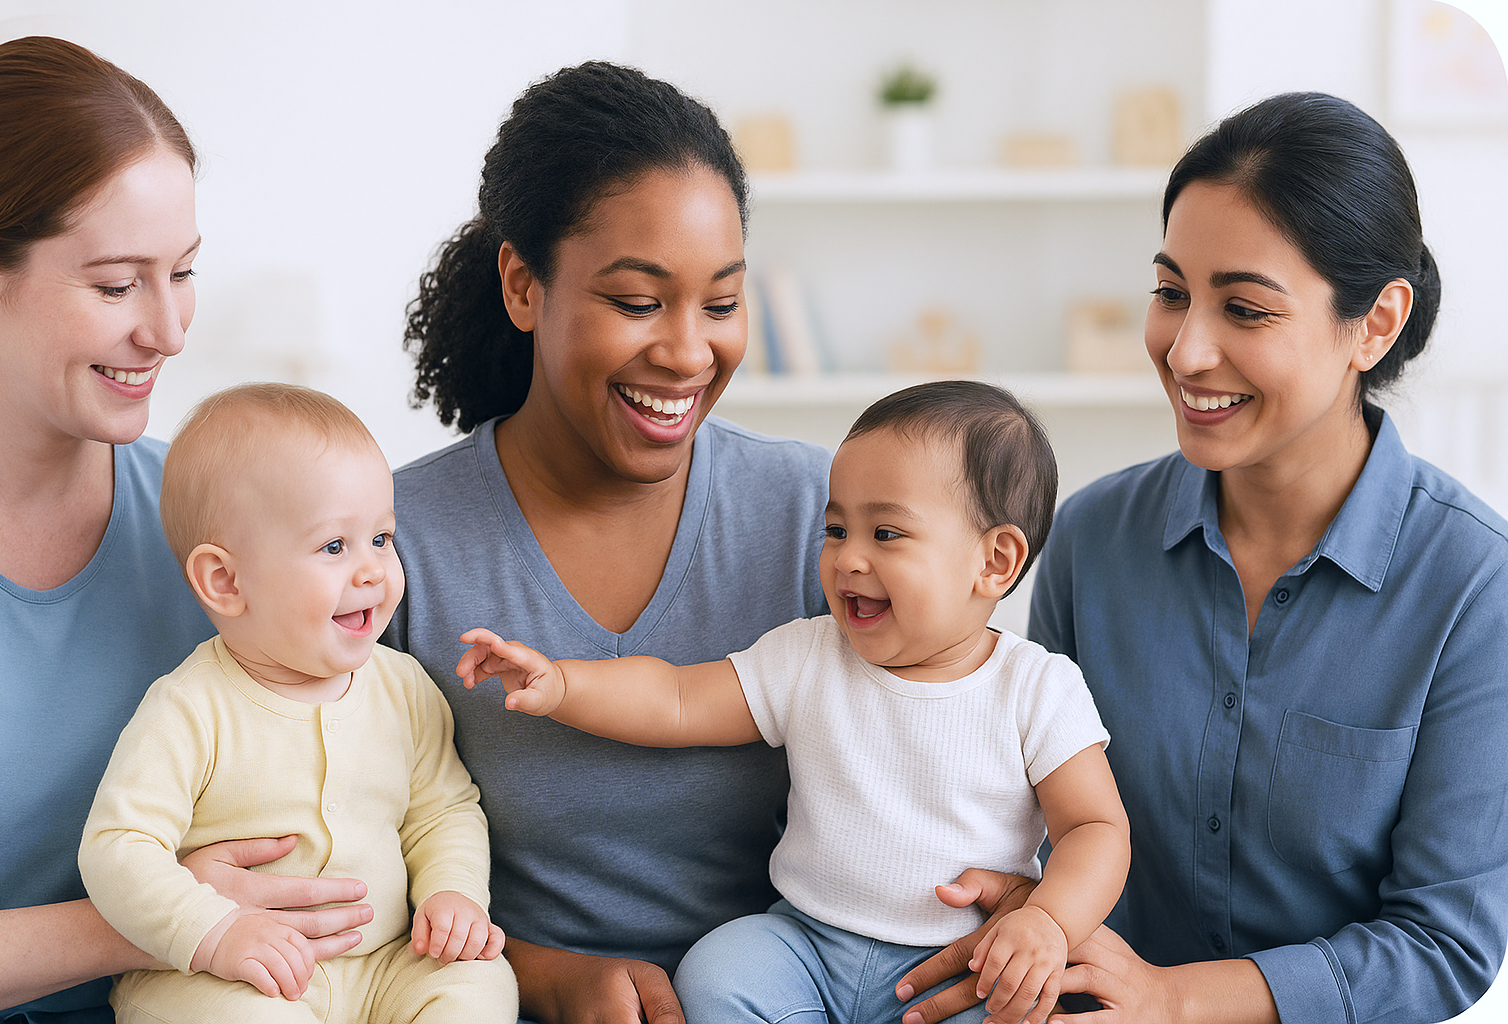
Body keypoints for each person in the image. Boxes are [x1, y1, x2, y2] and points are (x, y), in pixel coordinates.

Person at [387, 61, 1030, 1024]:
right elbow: (339, 860)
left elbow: (971, 738)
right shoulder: (395, 545)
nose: (690, 353)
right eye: (639, 303)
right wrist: (549, 979)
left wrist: (1026, 897)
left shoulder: (822, 517)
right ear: (524, 286)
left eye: (722, 304)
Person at [1022, 92, 1508, 1024]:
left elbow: (1444, 943)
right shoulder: (1090, 540)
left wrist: (1171, 1002)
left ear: (1375, 323)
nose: (1186, 350)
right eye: (1171, 294)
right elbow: (1041, 832)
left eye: (1244, 308)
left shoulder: (1470, 585)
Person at [459, 380, 1131, 1024]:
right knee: (717, 972)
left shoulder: (1036, 686)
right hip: (807, 944)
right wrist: (566, 685)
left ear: (996, 561)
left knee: (1022, 1005)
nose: (848, 560)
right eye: (836, 530)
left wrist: (1047, 921)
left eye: (886, 534)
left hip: (963, 962)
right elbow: (679, 698)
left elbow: (1095, 830)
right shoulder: (811, 655)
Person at [0, 37, 370, 1024]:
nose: (169, 329)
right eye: (116, 285)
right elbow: (207, 911)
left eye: (182, 272)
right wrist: (166, 917)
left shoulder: (221, 533)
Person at [78, 383, 518, 1023]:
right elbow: (118, 846)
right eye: (334, 547)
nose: (371, 571)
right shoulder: (191, 708)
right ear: (225, 581)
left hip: (385, 963)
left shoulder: (404, 689)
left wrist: (453, 895)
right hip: (227, 976)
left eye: (382, 538)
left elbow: (442, 811)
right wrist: (214, 932)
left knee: (479, 984)